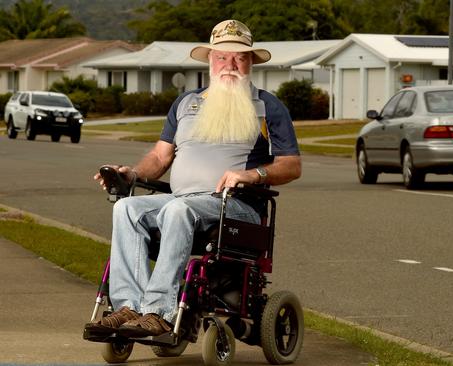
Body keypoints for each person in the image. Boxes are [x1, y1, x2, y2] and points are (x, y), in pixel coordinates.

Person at [84, 19, 301, 337]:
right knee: (126, 209)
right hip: (182, 199)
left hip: (236, 205)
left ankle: (158, 311)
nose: (230, 64)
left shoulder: (268, 107)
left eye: (239, 57)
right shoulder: (186, 103)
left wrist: (253, 174)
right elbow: (160, 157)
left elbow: (292, 165)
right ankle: (128, 306)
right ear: (210, 60)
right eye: (222, 56)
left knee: (177, 210)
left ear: (250, 62)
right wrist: (131, 174)